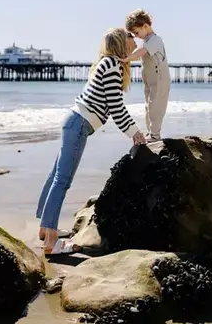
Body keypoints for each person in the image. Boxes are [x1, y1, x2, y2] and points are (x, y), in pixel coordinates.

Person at [36, 28, 146, 255]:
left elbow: (111, 104)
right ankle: (51, 242)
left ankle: (45, 229)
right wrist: (135, 132)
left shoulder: (106, 63)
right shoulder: (113, 65)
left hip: (74, 121)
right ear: (120, 42)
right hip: (79, 124)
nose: (134, 40)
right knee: (62, 180)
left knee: (56, 176)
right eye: (130, 36)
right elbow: (115, 106)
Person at [121, 9, 170, 142]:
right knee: (148, 107)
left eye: (136, 32)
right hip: (149, 81)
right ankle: (150, 132)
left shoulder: (155, 40)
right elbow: (138, 51)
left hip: (160, 79)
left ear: (146, 26)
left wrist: (127, 59)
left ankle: (155, 135)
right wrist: (127, 56)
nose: (135, 36)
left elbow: (141, 52)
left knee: (156, 107)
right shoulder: (146, 41)